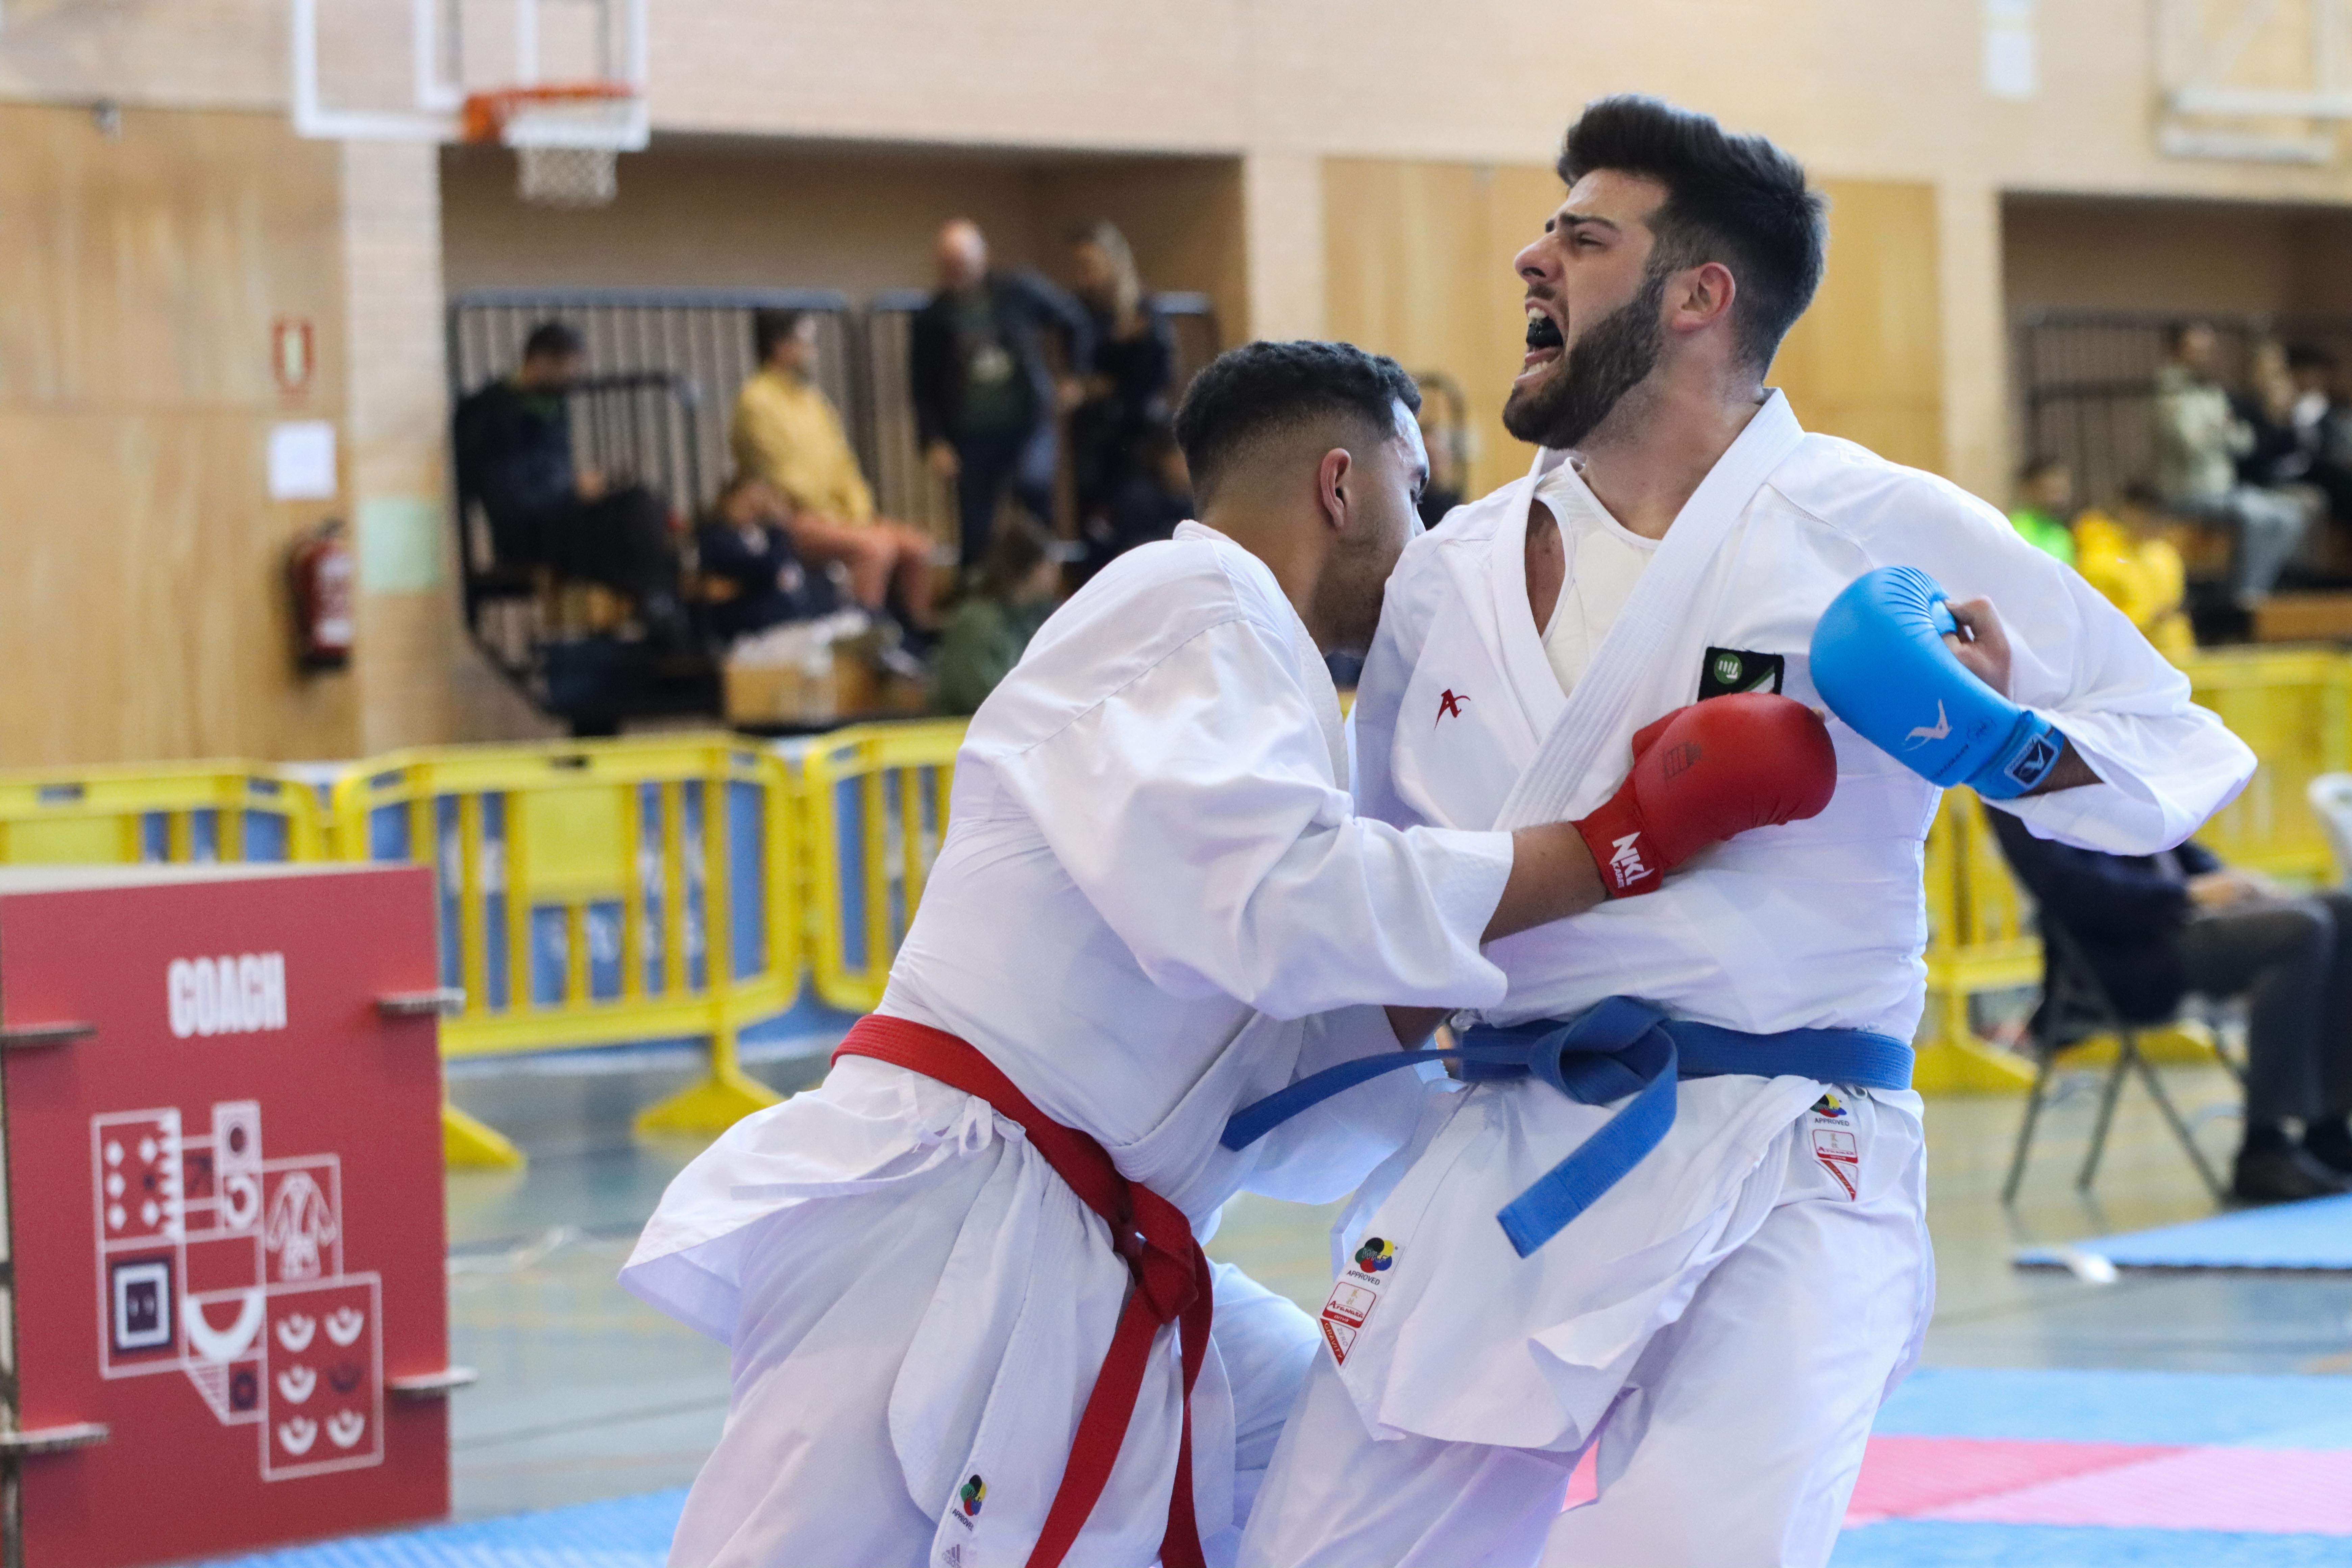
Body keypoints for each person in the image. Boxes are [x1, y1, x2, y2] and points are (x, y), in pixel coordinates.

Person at [621, 339, 1840, 1567]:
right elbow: (1271, 900)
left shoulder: (1258, 671)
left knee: (1333, 1475)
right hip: (943, 1211)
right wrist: (1608, 846)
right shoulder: (1188, 607)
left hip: (1085, 1233)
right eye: (1412, 495)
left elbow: (1274, 1055)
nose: (1421, 541)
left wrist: (1514, 965)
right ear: (1342, 484)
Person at [1239, 97, 2254, 1568]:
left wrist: (2002, 727)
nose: (1531, 253)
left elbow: (2173, 740)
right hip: (1507, 1129)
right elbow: (1384, 888)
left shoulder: (1871, 521)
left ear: (1697, 295)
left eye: (1580, 237)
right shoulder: (1442, 574)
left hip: (1791, 1147)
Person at [1988, 810, 2352, 1202]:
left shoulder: (2106, 763)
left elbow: (2174, 843)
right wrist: (2187, 894)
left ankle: (2327, 1128)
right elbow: (2073, 890)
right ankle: (2264, 1147)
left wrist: (2236, 885)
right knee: (2300, 929)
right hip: (2127, 955)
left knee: (2342, 911)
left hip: (2176, 922)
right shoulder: (2014, 786)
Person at [450, 320, 690, 645]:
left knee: (645, 505)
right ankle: (659, 606)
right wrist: (570, 490)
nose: (573, 382)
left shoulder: (549, 405)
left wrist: (580, 489)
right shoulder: (491, 411)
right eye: (568, 371)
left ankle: (661, 605)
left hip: (558, 518)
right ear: (540, 362)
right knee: (634, 511)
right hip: (527, 533)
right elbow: (506, 495)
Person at [730, 307, 938, 638]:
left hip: (837, 516)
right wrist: (835, 516)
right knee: (874, 549)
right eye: (806, 342)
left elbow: (844, 464)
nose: (813, 351)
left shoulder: (812, 400)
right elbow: (783, 476)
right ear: (780, 346)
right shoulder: (756, 401)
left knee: (918, 547)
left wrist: (857, 509)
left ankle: (913, 640)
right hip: (793, 521)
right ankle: (861, 645)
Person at [911, 218, 1095, 568]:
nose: (957, 274)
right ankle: (979, 601)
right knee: (976, 527)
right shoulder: (932, 317)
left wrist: (1074, 376)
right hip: (971, 434)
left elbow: (1074, 320)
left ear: (983, 258)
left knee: (1035, 498)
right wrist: (933, 440)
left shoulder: (1018, 290)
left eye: (962, 265)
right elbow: (921, 386)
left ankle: (1044, 594)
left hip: (1027, 424)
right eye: (949, 267)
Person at [2150, 320, 2311, 606]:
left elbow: (2243, 442)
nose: (2204, 355)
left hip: (2221, 488)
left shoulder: (2210, 390)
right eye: (2195, 349)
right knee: (2259, 516)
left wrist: (2220, 432)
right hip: (2186, 492)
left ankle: (2257, 589)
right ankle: (2243, 599)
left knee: (2291, 514)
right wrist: (2222, 431)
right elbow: (2192, 446)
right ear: (2176, 350)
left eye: (2208, 349)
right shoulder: (2168, 391)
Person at [1067, 220, 1179, 525]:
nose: (1083, 275)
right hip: (1094, 440)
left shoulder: (1145, 312)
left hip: (1137, 438)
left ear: (1113, 262)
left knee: (1135, 516)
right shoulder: (1080, 312)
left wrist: (1102, 387)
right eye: (1078, 266)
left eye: (1089, 264)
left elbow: (1159, 378)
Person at [930, 512, 1059, 715]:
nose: (1057, 572)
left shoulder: (1030, 615)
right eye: (1051, 564)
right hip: (963, 729)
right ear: (1036, 569)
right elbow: (979, 694)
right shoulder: (978, 621)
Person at [692, 475, 840, 643]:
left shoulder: (761, 534)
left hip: (799, 616)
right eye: (746, 501)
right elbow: (768, 569)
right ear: (728, 499)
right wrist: (778, 526)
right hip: (755, 625)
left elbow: (791, 567)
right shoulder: (717, 536)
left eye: (755, 505)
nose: (751, 509)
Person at [2073, 483, 2195, 660]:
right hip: (2128, 663)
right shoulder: (2100, 557)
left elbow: (2174, 612)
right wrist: (2148, 619)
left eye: (2157, 517)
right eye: (2146, 515)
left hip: (2175, 659)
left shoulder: (2166, 555)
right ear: (2128, 511)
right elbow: (2094, 622)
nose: (2153, 523)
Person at [2006, 455, 2079, 565]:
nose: (2058, 498)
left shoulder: (2062, 533)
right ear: (2029, 489)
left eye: (2061, 490)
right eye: (2051, 490)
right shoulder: (2014, 529)